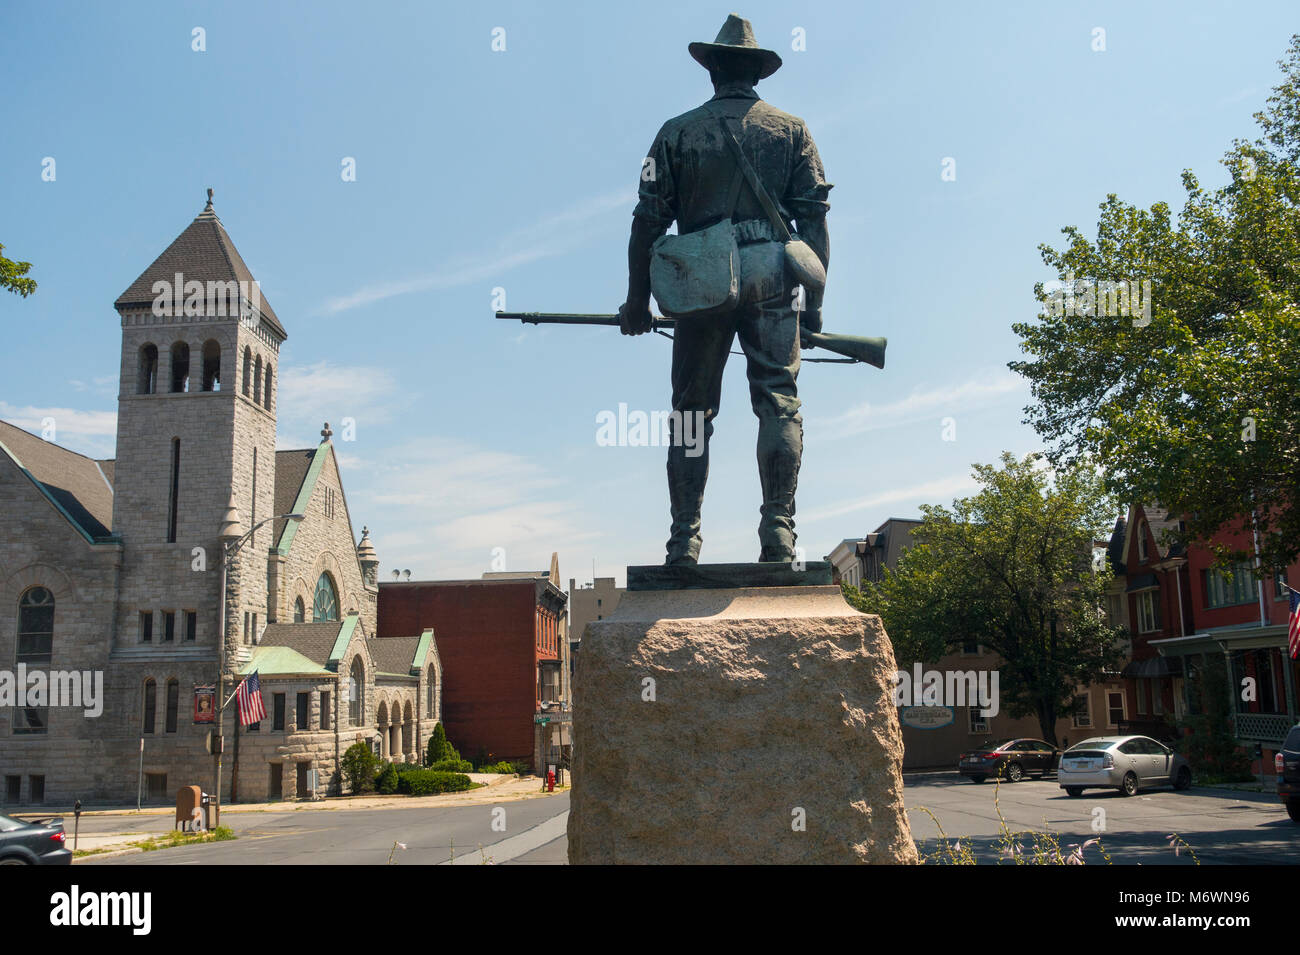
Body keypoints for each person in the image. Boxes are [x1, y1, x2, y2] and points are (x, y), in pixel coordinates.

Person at [619, 14, 832, 565]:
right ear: (756, 73)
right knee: (779, 403)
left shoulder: (676, 131)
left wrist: (637, 299)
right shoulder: (793, 130)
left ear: (713, 69)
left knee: (691, 414)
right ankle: (779, 532)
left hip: (700, 277)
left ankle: (683, 539)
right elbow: (814, 224)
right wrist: (813, 309)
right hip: (772, 272)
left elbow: (647, 222)